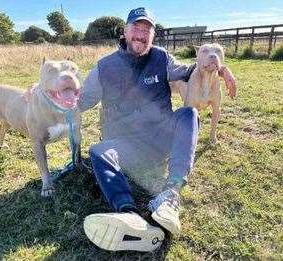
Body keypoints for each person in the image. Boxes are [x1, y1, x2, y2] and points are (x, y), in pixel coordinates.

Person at [79, 7, 236, 252]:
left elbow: (189, 70)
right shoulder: (104, 67)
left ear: (153, 36)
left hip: (160, 139)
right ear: (125, 31)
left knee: (188, 114)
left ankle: (170, 195)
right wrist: (51, 93)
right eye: (136, 28)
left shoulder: (162, 58)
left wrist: (221, 68)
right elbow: (81, 101)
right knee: (98, 151)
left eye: (147, 30)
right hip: (126, 145)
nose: (141, 34)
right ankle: (129, 215)